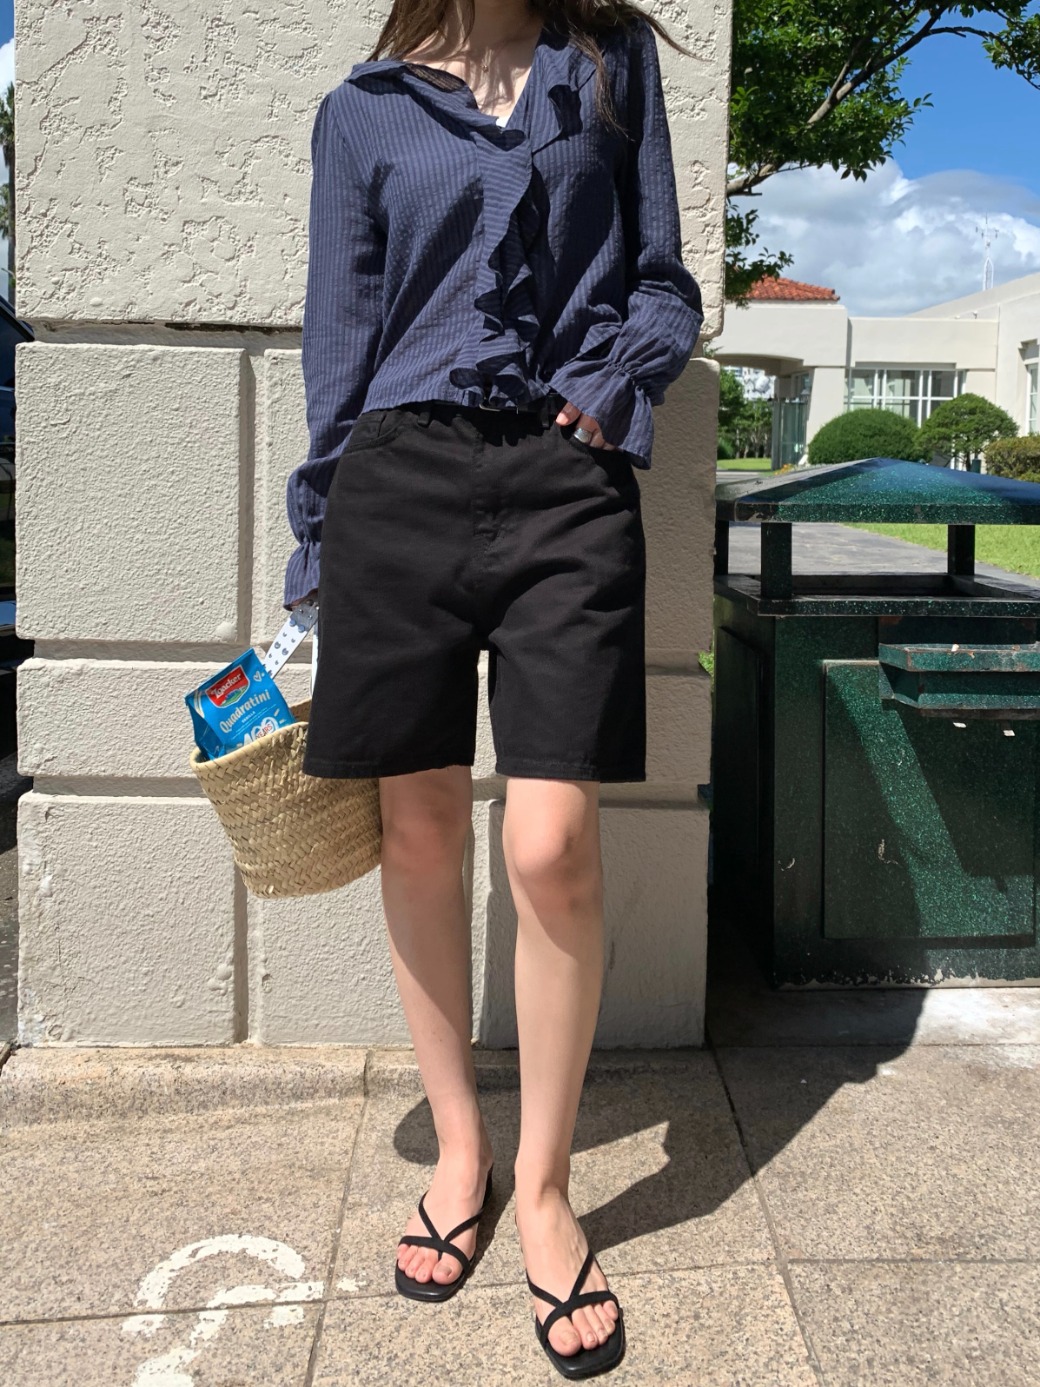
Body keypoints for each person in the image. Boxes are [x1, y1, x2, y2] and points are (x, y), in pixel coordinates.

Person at [284, 0, 702, 1375]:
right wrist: (316, 540)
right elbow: (339, 343)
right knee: (416, 827)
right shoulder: (362, 113)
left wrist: (616, 384)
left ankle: (545, 1191)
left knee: (550, 842)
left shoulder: (609, 65)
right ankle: (461, 1152)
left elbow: (664, 283)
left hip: (568, 485)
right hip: (396, 486)